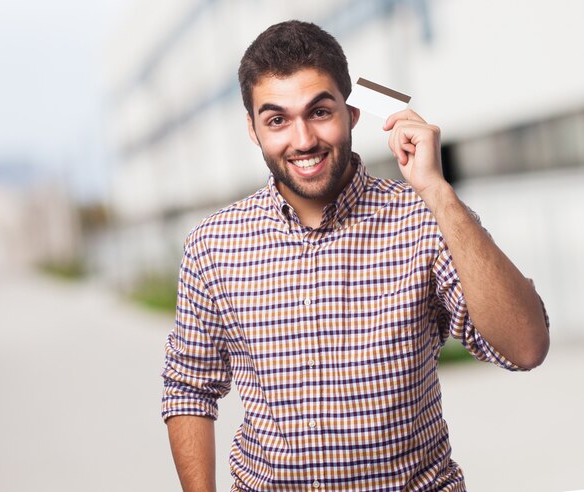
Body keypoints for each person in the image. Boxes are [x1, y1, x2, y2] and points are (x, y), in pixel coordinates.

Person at [162, 20, 549, 492]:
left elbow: (526, 347)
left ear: (352, 112)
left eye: (320, 111)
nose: (303, 139)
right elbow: (188, 388)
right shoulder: (212, 244)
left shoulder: (424, 217)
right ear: (252, 129)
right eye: (277, 119)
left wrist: (437, 191)